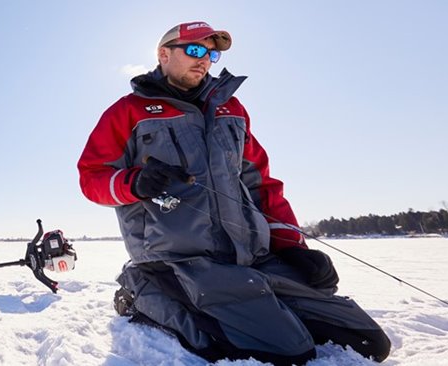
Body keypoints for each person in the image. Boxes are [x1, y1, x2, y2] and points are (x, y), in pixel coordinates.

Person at [77, 21, 391, 364]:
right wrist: (134, 183)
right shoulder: (127, 111)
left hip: (248, 257)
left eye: (211, 53)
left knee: (369, 342)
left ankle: (258, 302)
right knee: (289, 350)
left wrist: (292, 247)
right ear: (163, 54)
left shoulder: (232, 109)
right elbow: (92, 177)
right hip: (180, 260)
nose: (205, 60)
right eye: (195, 50)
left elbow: (261, 183)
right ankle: (143, 290)